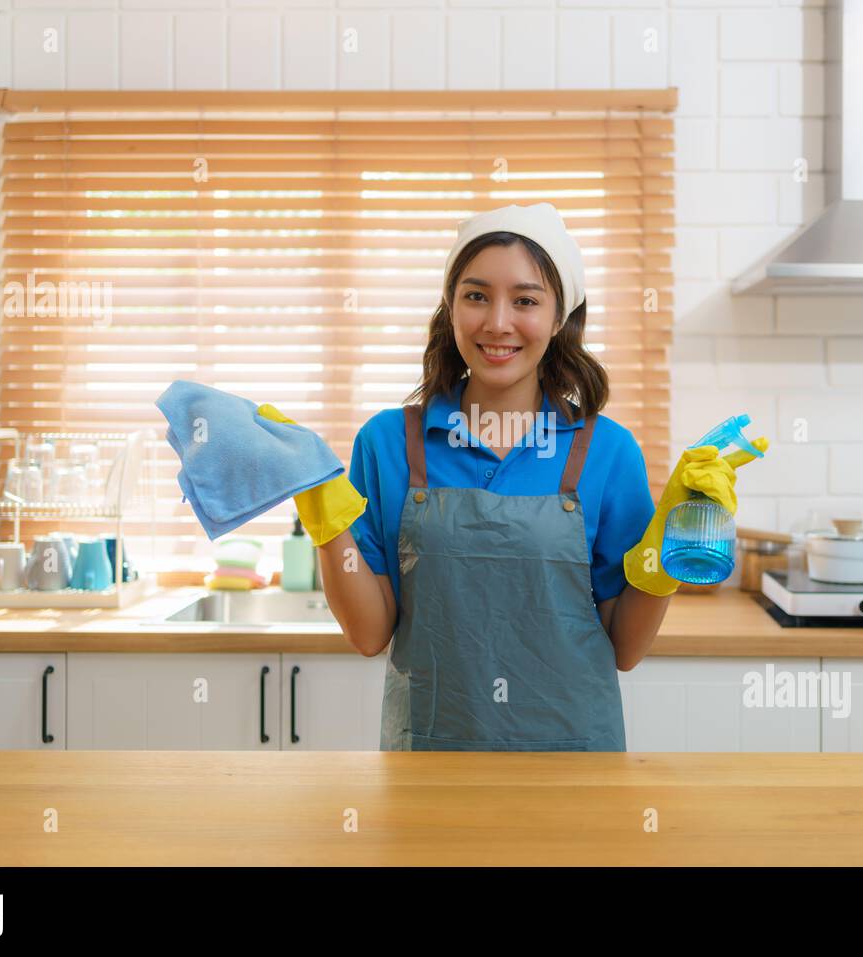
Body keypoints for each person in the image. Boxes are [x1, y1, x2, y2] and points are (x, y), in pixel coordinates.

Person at [275, 203, 767, 751]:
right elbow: (369, 636)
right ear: (451, 307)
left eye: (526, 300)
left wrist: (667, 544)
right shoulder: (390, 442)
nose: (498, 322)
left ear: (559, 319)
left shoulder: (606, 450)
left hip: (571, 761)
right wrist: (319, 502)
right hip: (431, 762)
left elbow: (626, 648)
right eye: (476, 295)